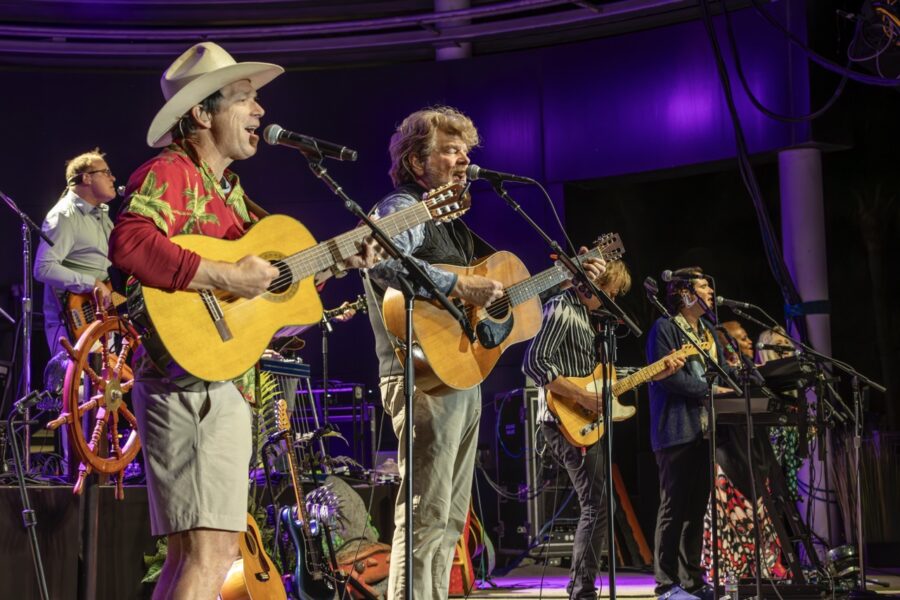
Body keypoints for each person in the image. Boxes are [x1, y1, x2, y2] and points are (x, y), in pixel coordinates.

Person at [108, 42, 370, 600]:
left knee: (198, 554)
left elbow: (274, 285)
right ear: (202, 112)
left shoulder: (230, 195)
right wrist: (224, 277)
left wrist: (338, 259)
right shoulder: (170, 172)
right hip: (187, 380)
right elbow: (129, 243)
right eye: (246, 99)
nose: (261, 112)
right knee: (209, 552)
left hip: (216, 379)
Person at [361, 106, 505, 599]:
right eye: (449, 149)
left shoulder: (453, 224)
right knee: (425, 514)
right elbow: (385, 263)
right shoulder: (403, 205)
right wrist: (461, 284)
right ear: (418, 164)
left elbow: (475, 301)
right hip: (419, 376)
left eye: (466, 150)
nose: (463, 159)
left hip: (458, 372)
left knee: (448, 518)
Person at [523, 260, 684, 599]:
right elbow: (535, 362)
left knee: (599, 505)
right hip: (563, 420)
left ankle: (582, 588)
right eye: (610, 291)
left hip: (582, 419)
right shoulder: (563, 307)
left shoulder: (586, 319)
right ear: (598, 281)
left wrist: (655, 371)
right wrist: (582, 396)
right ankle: (581, 591)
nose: (610, 298)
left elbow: (604, 379)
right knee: (598, 505)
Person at [646, 267, 734, 600]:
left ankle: (693, 579)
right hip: (675, 430)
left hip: (705, 431)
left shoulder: (708, 331)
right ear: (684, 293)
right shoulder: (665, 329)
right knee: (674, 506)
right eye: (703, 287)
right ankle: (666, 582)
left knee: (696, 508)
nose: (710, 292)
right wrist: (710, 391)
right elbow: (669, 378)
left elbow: (721, 373)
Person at [34, 148, 117, 358]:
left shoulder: (101, 215)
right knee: (79, 391)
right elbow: (43, 268)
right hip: (74, 321)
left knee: (107, 388)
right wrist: (92, 283)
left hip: (101, 316)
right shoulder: (64, 216)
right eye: (106, 172)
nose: (113, 177)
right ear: (87, 178)